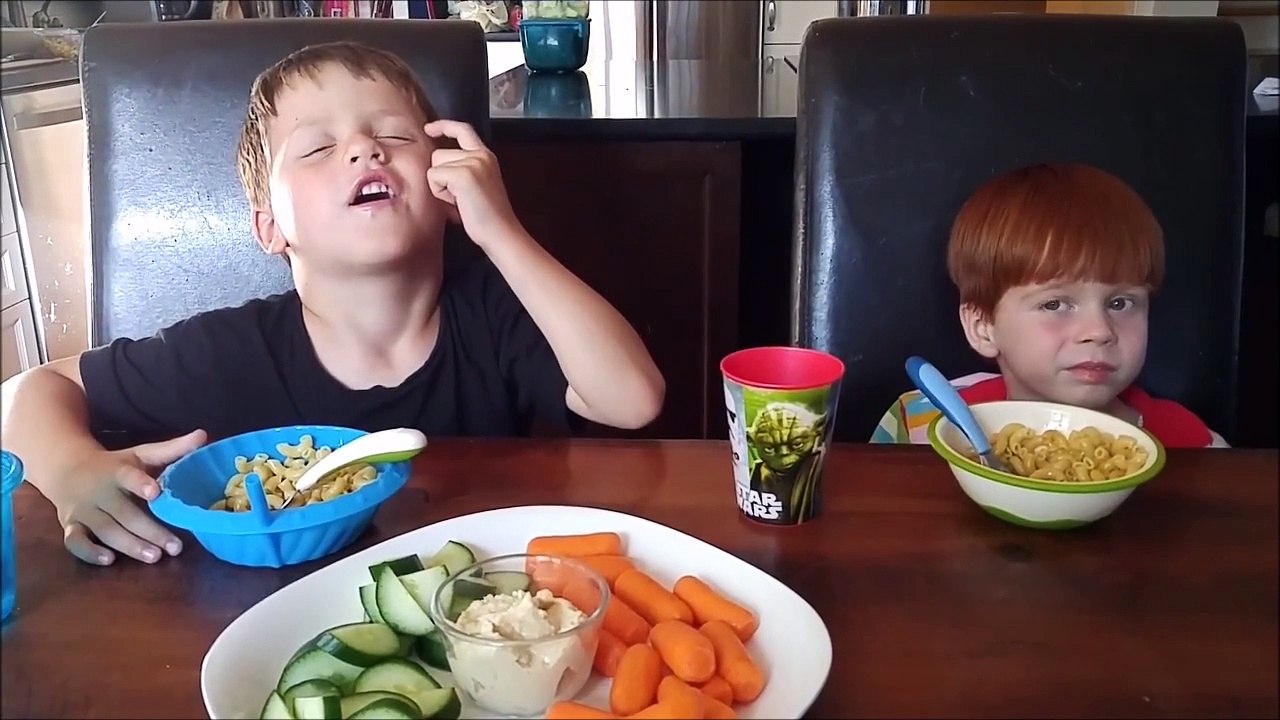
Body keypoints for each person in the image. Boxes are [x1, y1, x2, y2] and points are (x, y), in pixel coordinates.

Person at [0, 42, 665, 567]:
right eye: (319, 147)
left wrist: (501, 230)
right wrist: (71, 470)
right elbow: (27, 392)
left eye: (397, 137)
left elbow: (632, 400)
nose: (365, 148)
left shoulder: (494, 312)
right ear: (270, 229)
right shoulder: (229, 353)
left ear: (445, 182)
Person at [871, 162, 1227, 448]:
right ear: (983, 327)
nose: (1099, 332)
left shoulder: (1191, 446)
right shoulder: (920, 426)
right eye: (1055, 304)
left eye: (1120, 303)